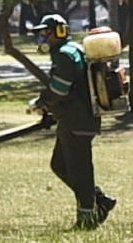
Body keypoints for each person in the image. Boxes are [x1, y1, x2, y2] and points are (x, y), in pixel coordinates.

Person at [33, 14, 116, 230]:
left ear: (58, 32)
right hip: (75, 120)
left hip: (77, 121)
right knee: (59, 165)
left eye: (45, 32)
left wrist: (41, 102)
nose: (43, 37)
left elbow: (60, 89)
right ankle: (100, 199)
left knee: (80, 171)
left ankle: (86, 219)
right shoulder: (74, 50)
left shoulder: (64, 54)